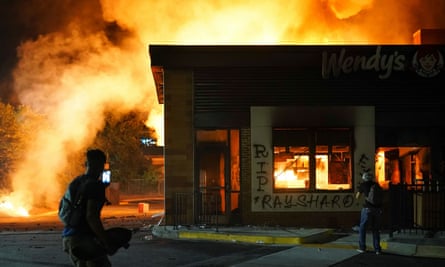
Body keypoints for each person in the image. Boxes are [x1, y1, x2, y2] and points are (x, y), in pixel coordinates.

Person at [62, 149, 124, 267]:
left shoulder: (76, 182)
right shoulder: (95, 186)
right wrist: (106, 241)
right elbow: (91, 216)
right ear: (102, 166)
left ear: (86, 164)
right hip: (83, 240)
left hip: (70, 237)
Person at [355, 172, 382, 255]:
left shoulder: (363, 185)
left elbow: (357, 196)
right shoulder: (376, 184)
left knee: (362, 228)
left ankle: (362, 247)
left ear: (364, 178)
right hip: (377, 209)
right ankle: (377, 249)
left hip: (367, 209)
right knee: (375, 229)